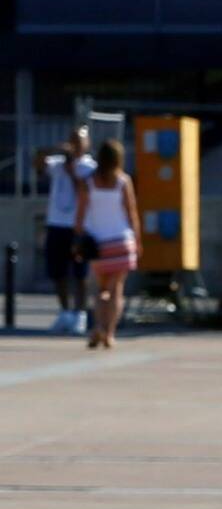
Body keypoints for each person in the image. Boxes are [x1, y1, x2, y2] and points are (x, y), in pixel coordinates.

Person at [74, 138, 141, 351]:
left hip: (98, 244)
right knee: (116, 290)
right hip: (121, 241)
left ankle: (98, 326)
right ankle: (110, 333)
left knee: (100, 290)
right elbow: (132, 214)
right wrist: (137, 241)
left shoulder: (88, 182)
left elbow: (80, 216)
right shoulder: (123, 181)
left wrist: (77, 240)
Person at [39, 125, 95, 334]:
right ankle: (64, 313)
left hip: (79, 227)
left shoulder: (89, 167)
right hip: (56, 224)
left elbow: (83, 190)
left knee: (80, 274)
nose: (75, 145)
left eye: (79, 141)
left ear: (87, 144)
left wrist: (72, 169)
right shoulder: (57, 164)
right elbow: (38, 162)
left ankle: (80, 315)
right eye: (72, 141)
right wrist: (52, 150)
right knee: (57, 272)